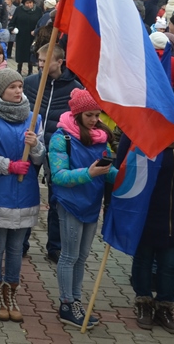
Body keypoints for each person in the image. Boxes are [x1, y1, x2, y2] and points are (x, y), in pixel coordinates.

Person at [48, 89, 114, 329]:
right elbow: (59, 176)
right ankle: (67, 303)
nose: (95, 120)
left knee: (83, 257)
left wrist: (130, 177)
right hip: (71, 204)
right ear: (77, 114)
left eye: (98, 115)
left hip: (92, 203)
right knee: (69, 256)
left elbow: (108, 170)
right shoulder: (61, 138)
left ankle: (76, 299)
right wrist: (90, 173)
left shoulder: (100, 136)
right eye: (89, 115)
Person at [120, 120, 174, 333]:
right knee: (143, 259)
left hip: (173, 212)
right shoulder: (135, 132)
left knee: (169, 265)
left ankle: (165, 307)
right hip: (143, 211)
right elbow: (121, 168)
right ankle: (144, 304)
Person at [0, 69, 43, 323]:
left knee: (16, 248)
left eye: (20, 86)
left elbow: (41, 158)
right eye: (12, 87)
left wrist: (36, 145)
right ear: (0, 90)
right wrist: (8, 165)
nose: (18, 90)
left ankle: (11, 292)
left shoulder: (33, 118)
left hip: (25, 191)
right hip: (0, 190)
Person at [23, 43, 82, 263]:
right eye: (38, 60)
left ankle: (55, 246)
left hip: (58, 150)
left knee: (57, 198)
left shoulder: (74, 88)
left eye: (45, 61)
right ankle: (21, 242)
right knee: (27, 193)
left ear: (59, 62)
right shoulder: (30, 83)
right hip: (32, 146)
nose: (40, 65)